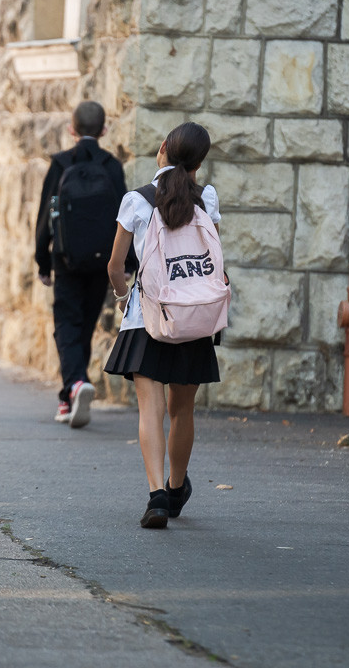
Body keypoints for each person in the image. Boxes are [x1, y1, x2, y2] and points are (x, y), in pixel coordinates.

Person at [104, 122, 222, 529]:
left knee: (150, 409)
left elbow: (115, 266)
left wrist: (123, 296)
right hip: (194, 316)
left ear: (162, 149)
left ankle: (156, 496)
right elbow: (212, 258)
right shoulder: (206, 198)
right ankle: (175, 488)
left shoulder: (137, 201)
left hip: (147, 317)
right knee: (183, 408)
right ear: (199, 163)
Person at [34, 101, 126, 426]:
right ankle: (70, 394)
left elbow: (49, 212)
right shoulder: (111, 167)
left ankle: (74, 385)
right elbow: (123, 217)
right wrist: (125, 263)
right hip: (101, 262)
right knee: (84, 326)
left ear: (71, 129)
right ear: (104, 130)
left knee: (66, 326)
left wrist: (43, 261)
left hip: (66, 259)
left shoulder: (61, 165)